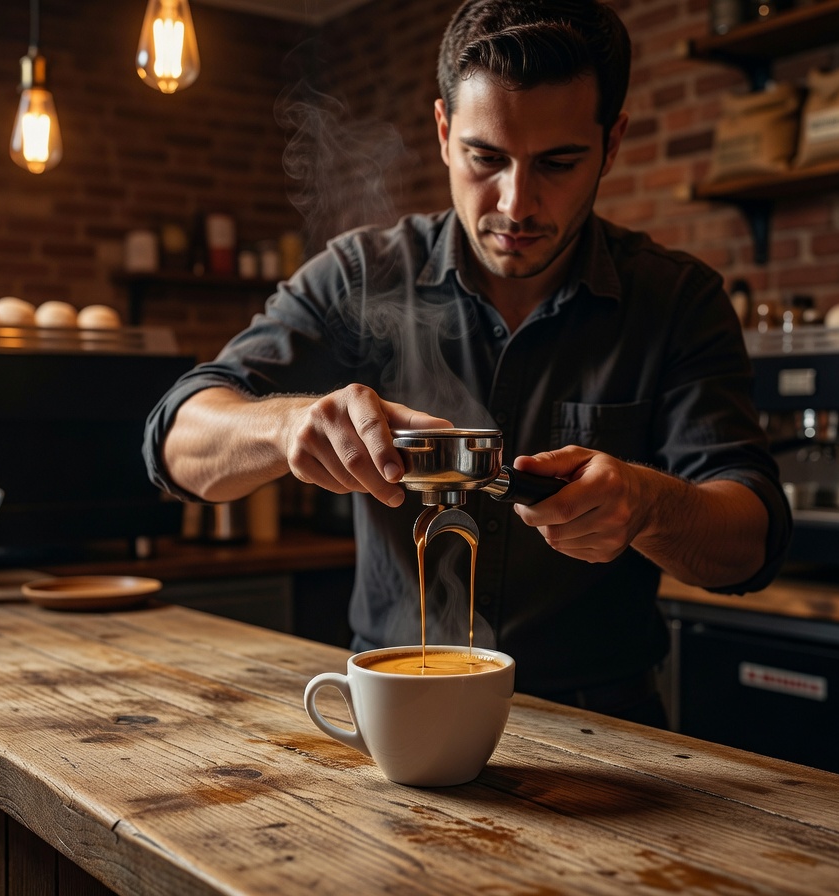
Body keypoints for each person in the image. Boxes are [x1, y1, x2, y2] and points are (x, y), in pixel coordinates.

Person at [144, 0, 791, 727]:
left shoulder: (675, 300)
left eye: (558, 162)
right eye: (487, 158)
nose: (516, 204)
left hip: (605, 725)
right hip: (393, 706)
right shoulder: (360, 274)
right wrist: (288, 427)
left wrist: (647, 503)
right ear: (446, 133)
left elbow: (752, 542)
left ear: (612, 145)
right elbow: (176, 443)